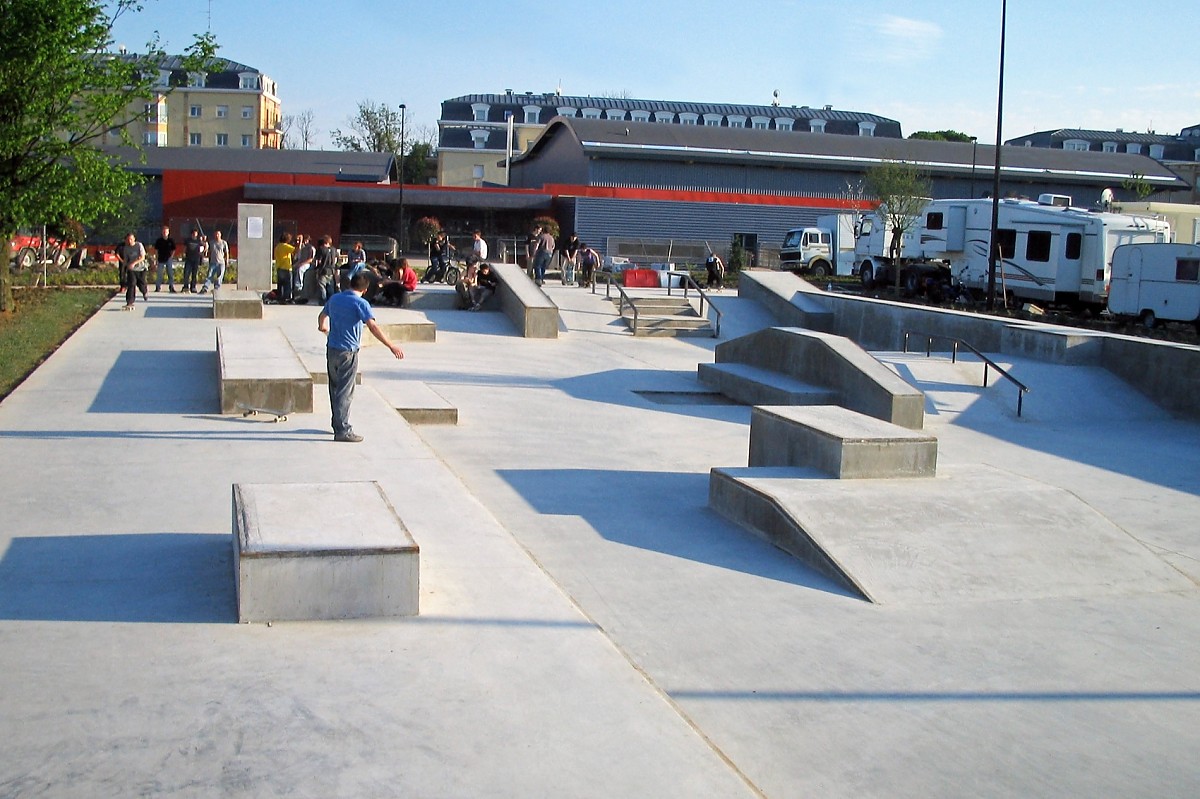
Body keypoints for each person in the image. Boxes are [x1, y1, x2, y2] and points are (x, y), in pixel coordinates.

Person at [317, 272, 404, 443]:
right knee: (345, 391)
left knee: (334, 388)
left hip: (332, 349)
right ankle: (342, 430)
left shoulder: (335, 298)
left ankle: (337, 424)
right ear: (365, 289)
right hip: (348, 352)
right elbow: (373, 327)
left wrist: (322, 328)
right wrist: (391, 345)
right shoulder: (361, 303)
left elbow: (322, 316)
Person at [119, 232, 148, 310]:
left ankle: (144, 292)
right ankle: (130, 301)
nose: (130, 241)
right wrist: (124, 267)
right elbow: (125, 259)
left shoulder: (139, 245)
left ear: (134, 239)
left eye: (131, 239)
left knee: (141, 284)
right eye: (128, 240)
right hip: (131, 269)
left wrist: (134, 263)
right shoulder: (126, 248)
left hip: (141, 268)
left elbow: (142, 257)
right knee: (131, 284)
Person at [309, 234, 338, 304]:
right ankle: (331, 301)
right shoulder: (334, 249)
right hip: (331, 271)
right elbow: (337, 260)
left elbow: (318, 261)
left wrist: (316, 268)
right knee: (330, 287)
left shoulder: (321, 249)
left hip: (323, 270)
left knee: (322, 286)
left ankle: (323, 300)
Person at [152, 225, 177, 293]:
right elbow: (156, 250)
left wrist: (171, 256)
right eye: (163, 231)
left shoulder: (171, 240)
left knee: (170, 274)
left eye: (166, 232)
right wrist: (156, 258)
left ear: (168, 232)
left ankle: (171, 287)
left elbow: (173, 249)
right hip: (160, 259)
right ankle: (158, 287)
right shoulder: (159, 241)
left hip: (168, 259)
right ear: (162, 232)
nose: (164, 233)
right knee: (159, 274)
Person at [273, 232, 295, 303]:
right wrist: (300, 242)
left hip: (279, 267)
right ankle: (287, 298)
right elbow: (296, 250)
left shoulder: (277, 247)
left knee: (280, 284)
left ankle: (280, 297)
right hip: (286, 268)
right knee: (287, 285)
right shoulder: (286, 246)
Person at [292, 234, 315, 300]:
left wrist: (301, 264)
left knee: (300, 269)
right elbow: (298, 258)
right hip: (301, 262)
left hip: (308, 263)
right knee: (293, 268)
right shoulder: (301, 248)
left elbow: (311, 259)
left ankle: (299, 286)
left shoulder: (311, 248)